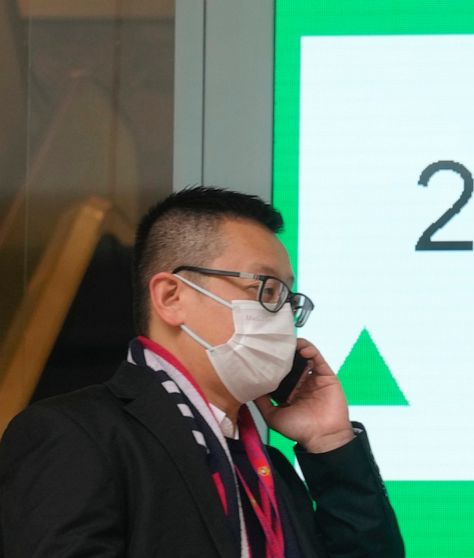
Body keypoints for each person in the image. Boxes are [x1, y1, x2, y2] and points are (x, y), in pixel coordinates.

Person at [0, 187, 404, 557]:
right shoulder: (77, 436)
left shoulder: (271, 470)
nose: (283, 315)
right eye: (266, 290)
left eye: (288, 299)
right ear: (171, 297)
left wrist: (330, 441)